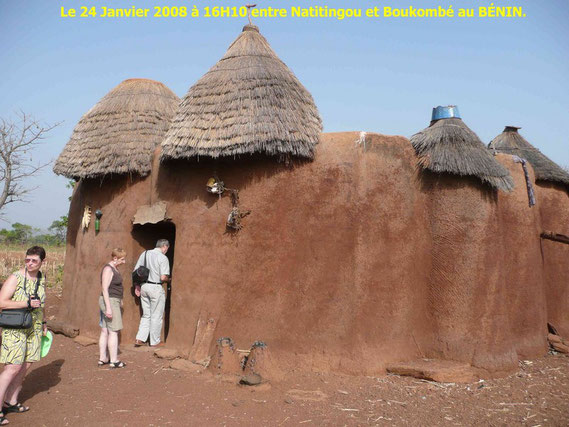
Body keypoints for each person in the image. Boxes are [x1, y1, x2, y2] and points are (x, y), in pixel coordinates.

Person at [0, 246, 47, 425]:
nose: (29, 263)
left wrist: (43, 322)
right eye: (27, 260)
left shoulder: (42, 278)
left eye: (34, 260)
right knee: (12, 367)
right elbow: (2, 302)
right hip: (15, 327)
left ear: (43, 262)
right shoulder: (16, 277)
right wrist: (25, 302)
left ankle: (10, 401)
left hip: (33, 327)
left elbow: (42, 302)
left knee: (26, 364)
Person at [133, 239, 171, 347]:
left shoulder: (144, 254)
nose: (166, 251)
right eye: (167, 248)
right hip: (156, 287)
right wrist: (169, 280)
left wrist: (137, 285)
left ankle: (139, 338)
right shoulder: (163, 258)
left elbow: (136, 271)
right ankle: (155, 341)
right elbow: (163, 277)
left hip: (144, 286)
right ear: (164, 246)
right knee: (156, 315)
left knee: (146, 315)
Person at [98, 248, 127, 369]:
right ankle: (114, 360)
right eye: (122, 259)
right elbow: (105, 289)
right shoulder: (108, 269)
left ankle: (103, 358)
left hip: (111, 301)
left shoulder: (114, 268)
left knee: (105, 330)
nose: (124, 262)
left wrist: (120, 300)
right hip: (109, 301)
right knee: (113, 332)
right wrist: (109, 308)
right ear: (115, 258)